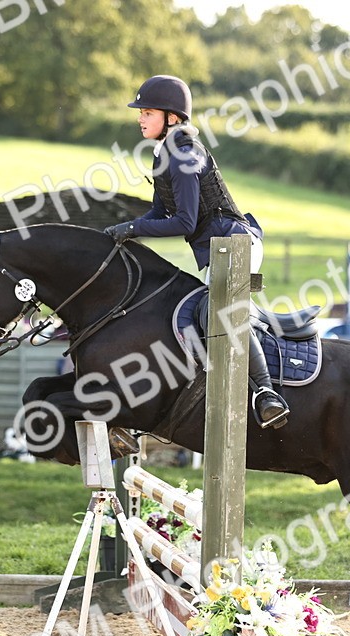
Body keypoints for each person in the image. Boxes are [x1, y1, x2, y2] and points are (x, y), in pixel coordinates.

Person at [104, 75, 289, 429]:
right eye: (140, 112)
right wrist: (124, 234)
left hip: (237, 244)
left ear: (172, 117)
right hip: (218, 250)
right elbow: (158, 215)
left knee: (219, 312)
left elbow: (185, 223)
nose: (140, 118)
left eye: (147, 112)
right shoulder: (165, 155)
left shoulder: (186, 157)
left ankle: (266, 393)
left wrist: (132, 229)